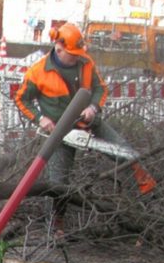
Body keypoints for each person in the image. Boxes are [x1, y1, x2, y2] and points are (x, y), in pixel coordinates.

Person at [14, 22, 155, 238]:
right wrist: (40, 118)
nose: (77, 57)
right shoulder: (39, 71)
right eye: (72, 53)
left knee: (124, 152)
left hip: (89, 123)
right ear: (58, 48)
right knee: (58, 182)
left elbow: (100, 88)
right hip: (60, 133)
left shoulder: (85, 62)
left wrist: (93, 107)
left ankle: (149, 194)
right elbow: (21, 99)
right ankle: (55, 225)